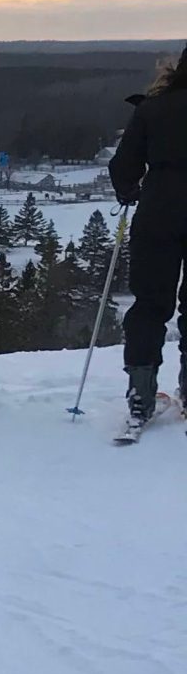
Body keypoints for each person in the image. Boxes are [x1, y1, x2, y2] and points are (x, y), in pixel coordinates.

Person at [109, 46, 187, 428]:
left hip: (159, 210)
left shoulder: (152, 108)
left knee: (150, 304)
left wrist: (128, 191)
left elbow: (124, 164)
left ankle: (140, 393)